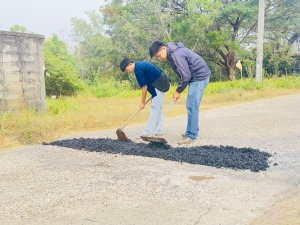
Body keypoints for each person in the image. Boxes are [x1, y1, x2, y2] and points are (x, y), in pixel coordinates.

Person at [149, 41, 211, 145]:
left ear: (163, 49)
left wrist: (178, 91)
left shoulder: (176, 55)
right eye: (157, 57)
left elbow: (186, 76)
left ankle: (192, 135)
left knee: (192, 106)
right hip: (196, 77)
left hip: (200, 77)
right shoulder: (173, 53)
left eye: (159, 56)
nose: (159, 58)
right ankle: (191, 131)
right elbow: (184, 74)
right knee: (191, 106)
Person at [120, 58, 171, 138]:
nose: (128, 72)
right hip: (166, 83)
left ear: (130, 64)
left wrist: (142, 102)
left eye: (127, 69)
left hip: (160, 86)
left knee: (154, 109)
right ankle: (158, 131)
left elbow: (144, 87)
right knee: (158, 109)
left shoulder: (138, 70)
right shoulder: (141, 64)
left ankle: (147, 133)